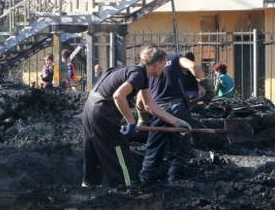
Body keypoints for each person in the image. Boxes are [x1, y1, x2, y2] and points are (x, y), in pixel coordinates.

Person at [82, 46, 192, 193]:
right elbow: (118, 96)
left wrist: (176, 122)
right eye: (164, 64)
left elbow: (149, 105)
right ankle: (127, 188)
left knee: (93, 149)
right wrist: (131, 121)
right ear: (157, 63)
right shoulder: (138, 74)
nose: (165, 68)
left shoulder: (139, 74)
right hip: (102, 112)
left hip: (89, 109)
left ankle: (90, 185)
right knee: (119, 150)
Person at [138, 52, 200, 185]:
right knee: (180, 149)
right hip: (179, 109)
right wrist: (205, 84)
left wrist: (142, 118)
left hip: (158, 110)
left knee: (153, 149)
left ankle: (145, 181)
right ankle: (174, 182)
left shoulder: (145, 69)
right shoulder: (175, 57)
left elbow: (140, 100)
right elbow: (194, 67)